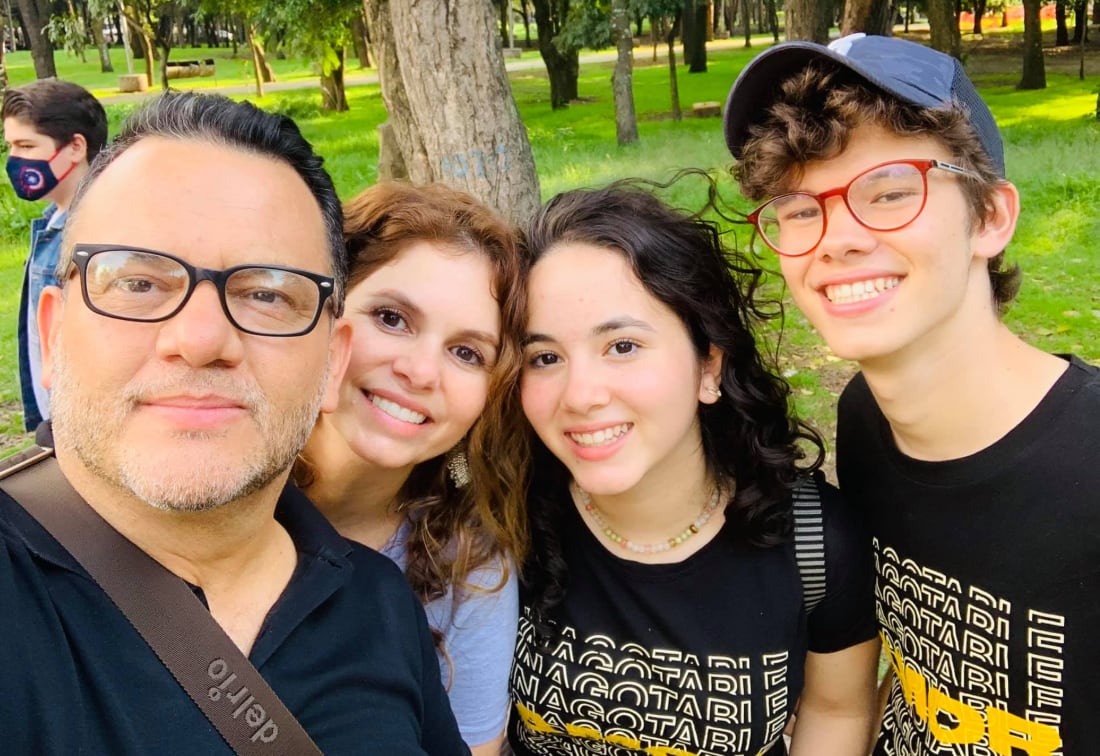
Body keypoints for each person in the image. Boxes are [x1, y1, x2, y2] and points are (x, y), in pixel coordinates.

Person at [0, 91, 468, 754]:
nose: (198, 338)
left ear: (333, 365)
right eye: (139, 283)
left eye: (268, 294)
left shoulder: (376, 604)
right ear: (51, 337)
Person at [724, 33, 1100, 756]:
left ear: (990, 217)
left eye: (891, 191)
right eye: (801, 209)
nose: (836, 239)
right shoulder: (866, 419)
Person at [507, 182, 880, 756]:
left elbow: (835, 710)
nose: (579, 395)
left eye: (623, 346)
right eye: (546, 357)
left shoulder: (816, 542)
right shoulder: (502, 520)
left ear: (709, 365)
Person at [295, 181, 527, 755]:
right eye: (392, 318)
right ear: (323, 308)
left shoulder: (469, 565)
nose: (422, 372)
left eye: (467, 352)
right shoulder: (216, 486)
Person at [2, 79, 108, 431]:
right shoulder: (52, 225)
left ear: (76, 147)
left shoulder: (97, 231)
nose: (14, 160)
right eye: (10, 147)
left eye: (27, 145)